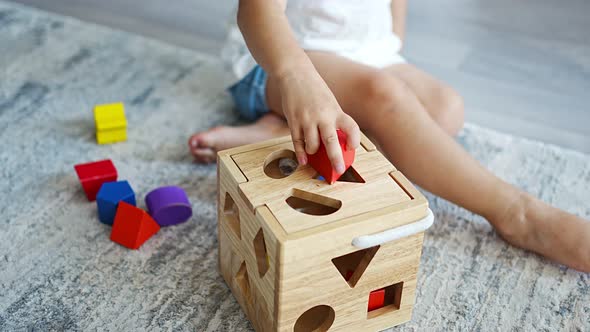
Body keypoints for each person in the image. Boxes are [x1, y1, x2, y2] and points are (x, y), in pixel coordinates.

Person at [188, 0, 590, 272]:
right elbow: (257, 13)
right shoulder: (283, 63)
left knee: (446, 110)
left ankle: (281, 132)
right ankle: (516, 213)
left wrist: (392, 41)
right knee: (387, 98)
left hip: (367, 54)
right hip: (278, 63)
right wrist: (296, 79)